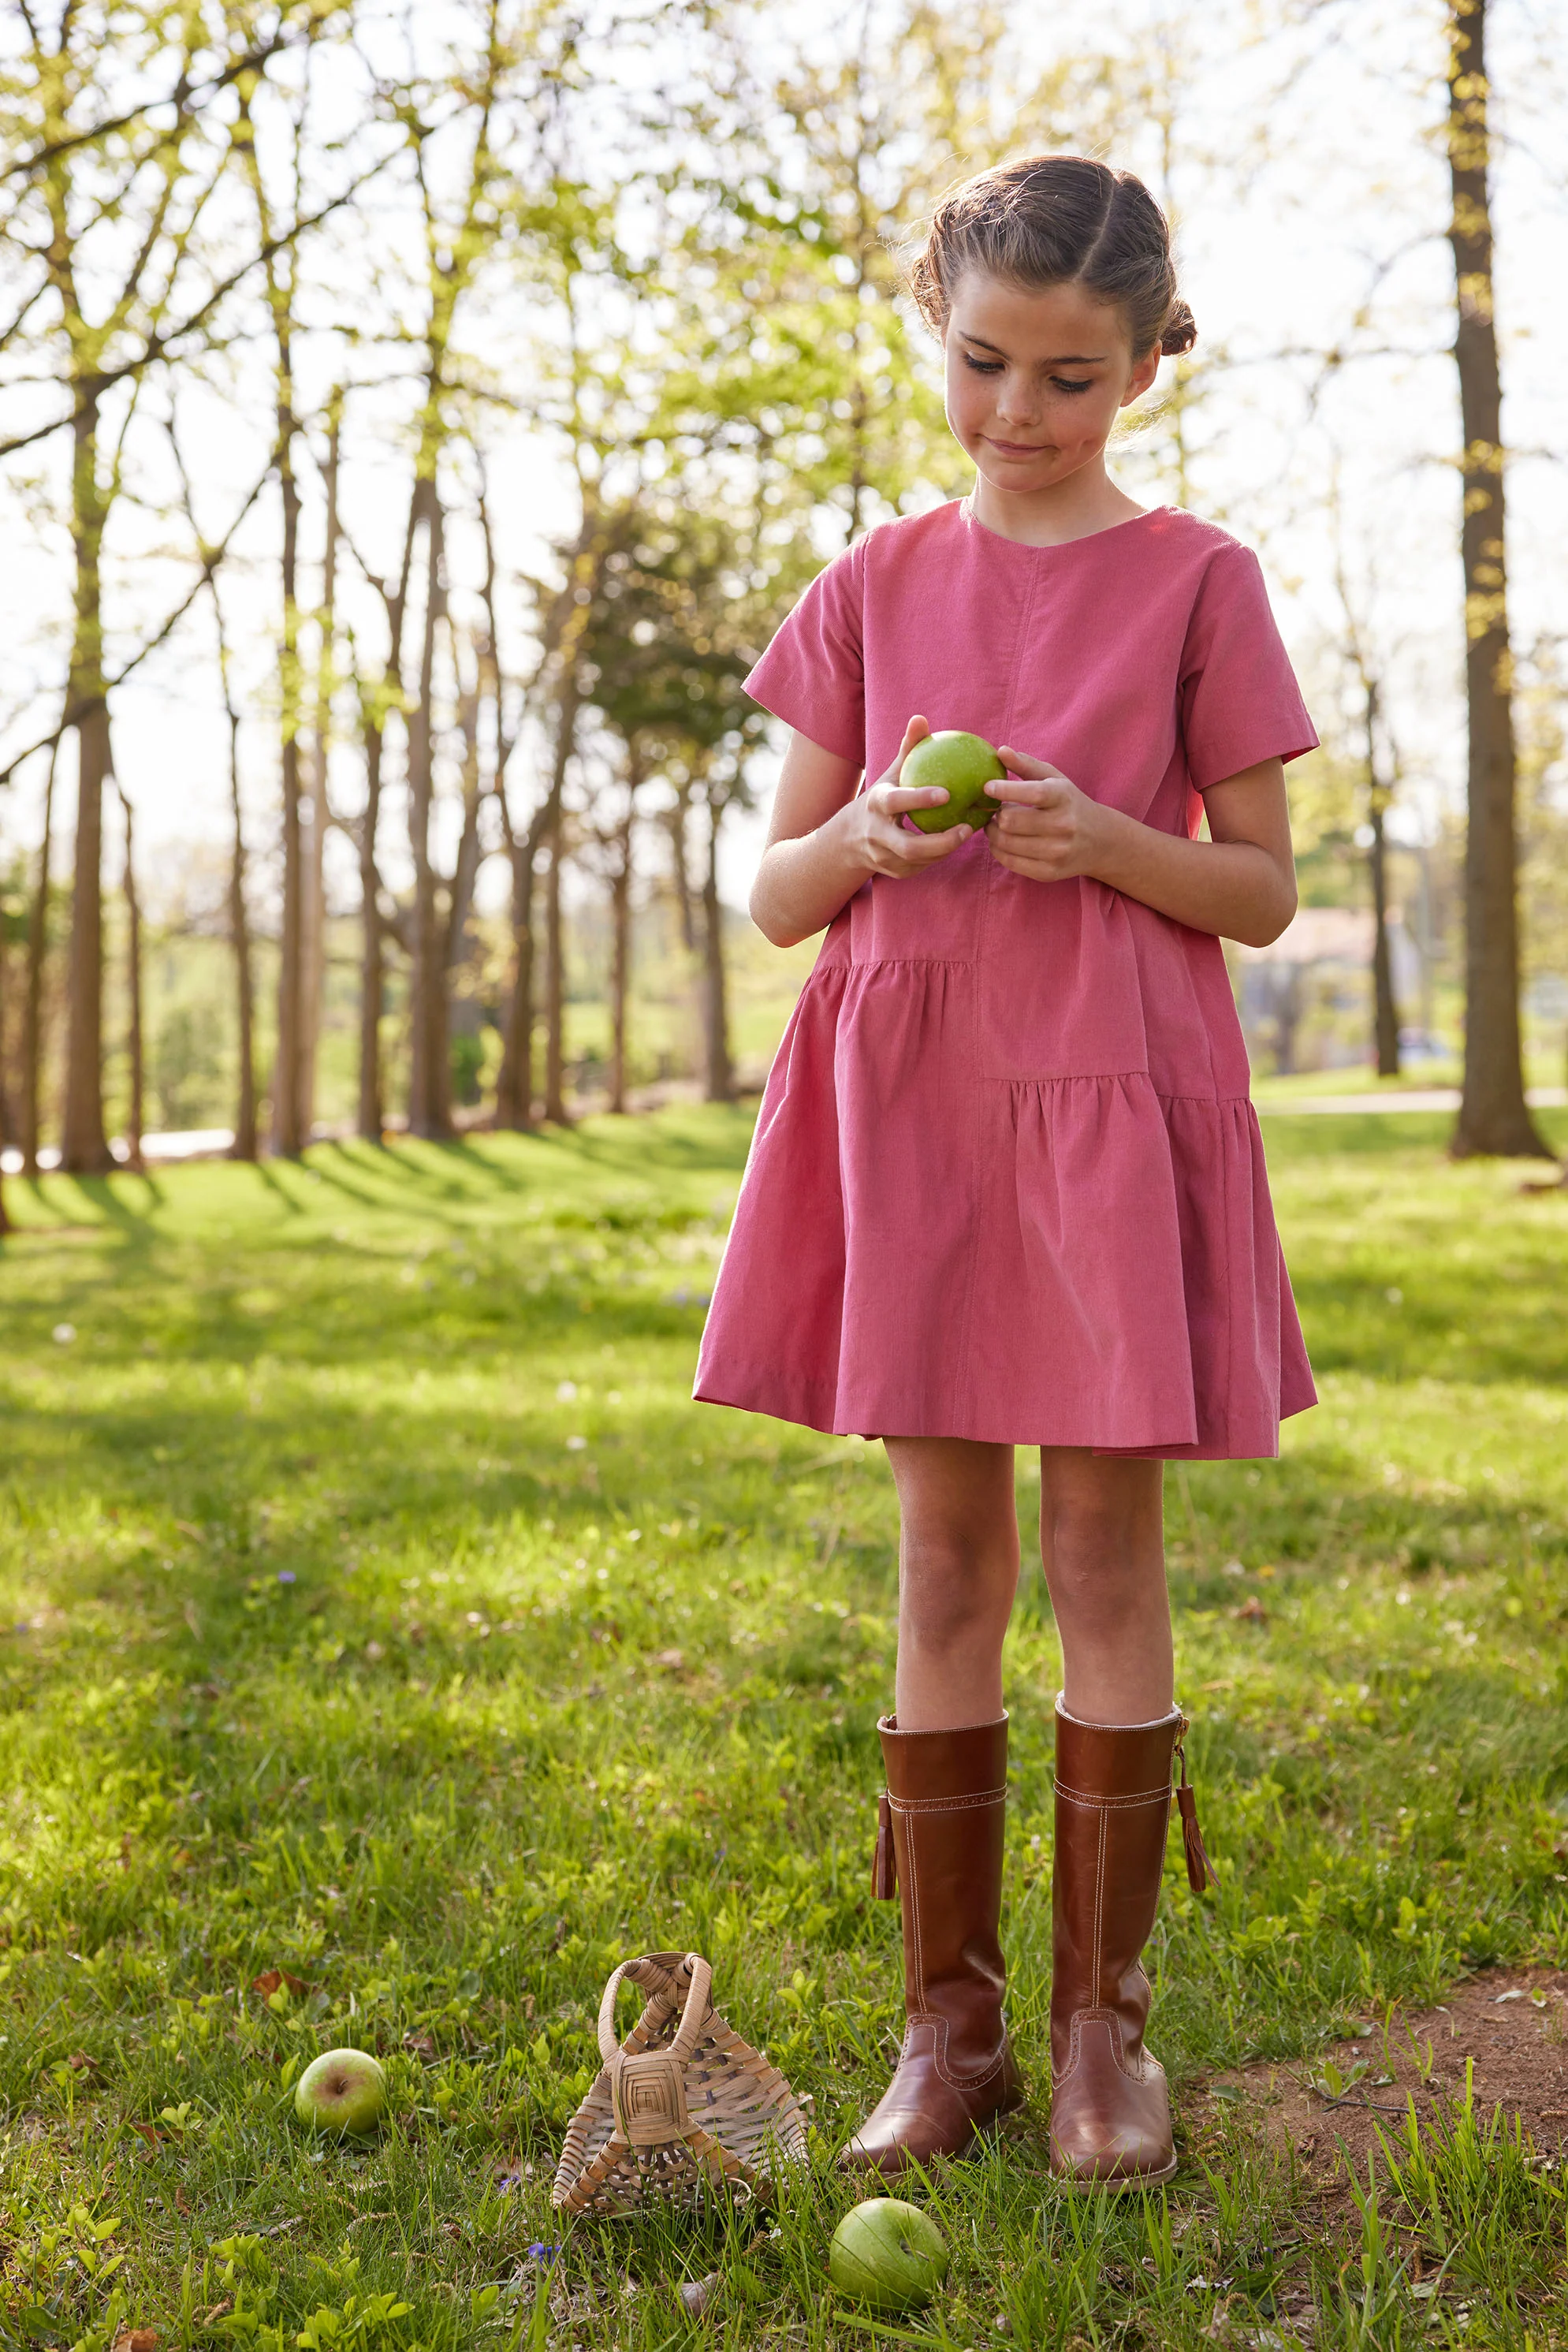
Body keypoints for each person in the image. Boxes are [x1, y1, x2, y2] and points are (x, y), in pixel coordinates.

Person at [694, 155, 1317, 2189]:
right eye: (984, 364)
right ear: (935, 334)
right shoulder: (870, 585)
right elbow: (777, 893)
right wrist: (868, 831)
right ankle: (943, 2029)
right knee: (946, 1561)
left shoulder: (1201, 581)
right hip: (920, 1111)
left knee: (1106, 1556)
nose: (1020, 411)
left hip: (1107, 1104)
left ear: (1145, 369)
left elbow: (1262, 889)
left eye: (1070, 376)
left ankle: (1100, 2036)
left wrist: (1107, 843)